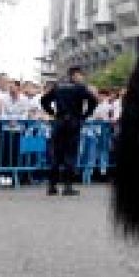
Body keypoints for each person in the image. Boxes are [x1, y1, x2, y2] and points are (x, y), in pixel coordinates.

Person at [40, 66, 97, 196]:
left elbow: (44, 100)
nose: (82, 77)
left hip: (59, 122)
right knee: (70, 154)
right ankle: (67, 186)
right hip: (73, 122)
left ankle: (52, 186)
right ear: (74, 75)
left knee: (56, 154)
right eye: (81, 75)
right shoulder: (80, 88)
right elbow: (93, 101)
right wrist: (85, 115)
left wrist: (52, 112)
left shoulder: (58, 87)